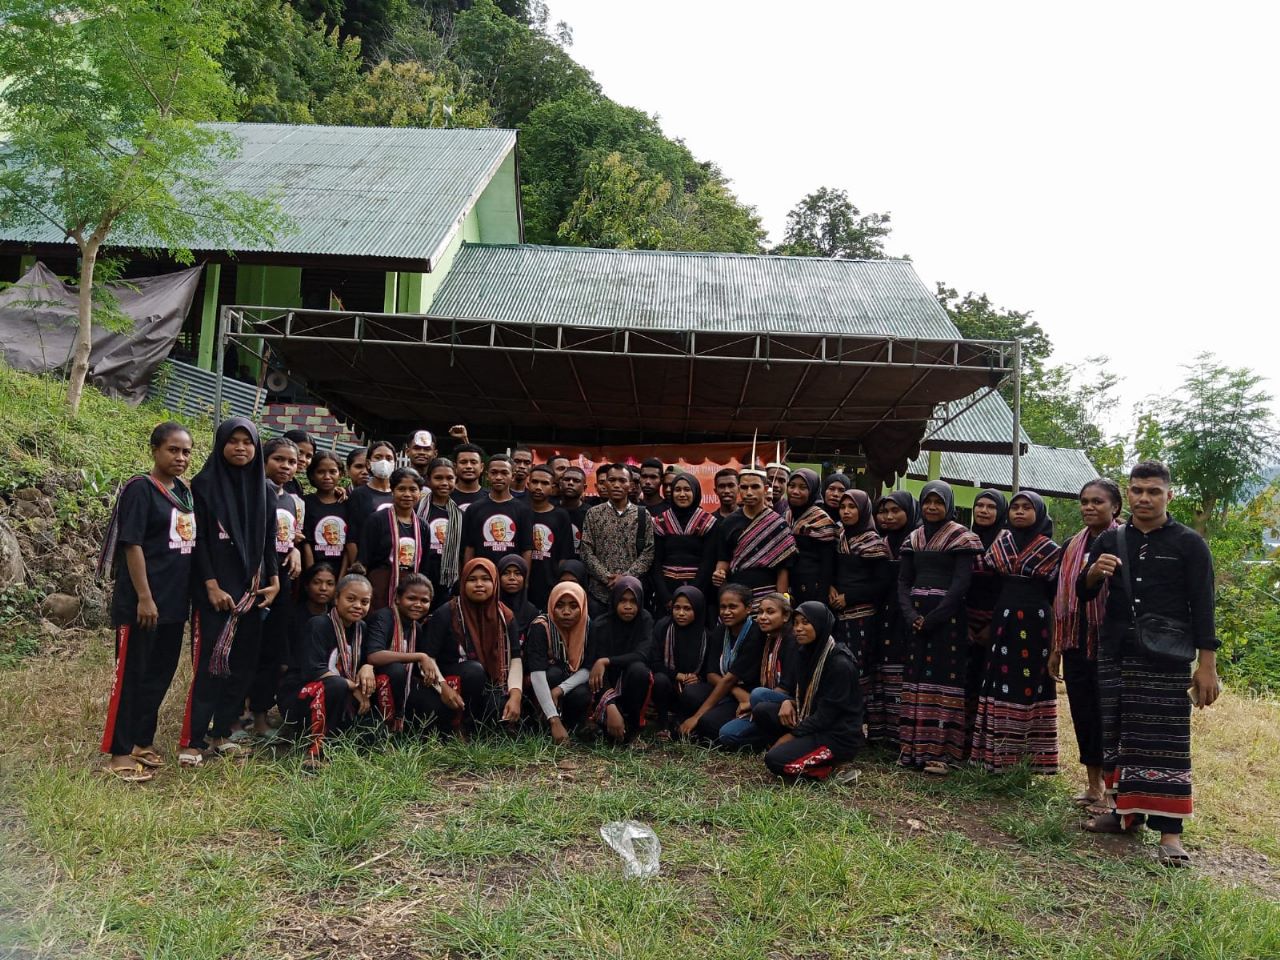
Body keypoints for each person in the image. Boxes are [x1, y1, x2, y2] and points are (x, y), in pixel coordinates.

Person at [1078, 461, 1219, 866]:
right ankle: (1124, 814)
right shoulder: (1110, 539)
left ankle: (1171, 833)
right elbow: (1083, 593)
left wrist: (1206, 665)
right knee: (1117, 731)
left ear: (1169, 495)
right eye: (1137, 490)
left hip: (1167, 656)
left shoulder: (1190, 544)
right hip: (1116, 650)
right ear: (1129, 492)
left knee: (1165, 739)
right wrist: (1092, 574)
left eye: (1153, 491)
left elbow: (1204, 607)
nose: (1144, 498)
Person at [98, 421, 196, 781]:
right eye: (173, 449)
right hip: (143, 604)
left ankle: (142, 740)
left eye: (186, 451)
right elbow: (132, 544)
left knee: (159, 675)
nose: (180, 457)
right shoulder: (141, 489)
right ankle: (120, 752)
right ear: (155, 450)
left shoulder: (184, 493)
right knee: (132, 676)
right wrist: (144, 597)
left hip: (174, 604)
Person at [179, 418, 280, 766]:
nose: (241, 448)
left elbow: (269, 540)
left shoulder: (264, 489)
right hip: (217, 592)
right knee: (210, 665)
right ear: (221, 444)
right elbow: (200, 539)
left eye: (247, 442)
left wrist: (275, 579)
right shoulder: (204, 486)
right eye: (233, 441)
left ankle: (221, 732)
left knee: (242, 666)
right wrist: (210, 584)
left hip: (253, 592)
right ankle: (193, 739)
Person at [970, 491, 1062, 774]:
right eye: (1015, 508)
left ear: (1039, 513)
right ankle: (994, 756)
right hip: (1003, 620)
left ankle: (1029, 760)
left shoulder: (1051, 550)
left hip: (1035, 623)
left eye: (1027, 508)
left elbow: (1056, 595)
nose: (1020, 512)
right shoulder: (1001, 543)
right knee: (997, 680)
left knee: (1031, 683)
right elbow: (987, 583)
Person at [897, 480, 983, 775]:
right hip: (916, 618)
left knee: (944, 680)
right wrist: (910, 615)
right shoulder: (913, 538)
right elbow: (903, 581)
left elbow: (961, 585)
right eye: (927, 502)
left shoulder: (962, 538)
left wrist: (933, 618)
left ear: (949, 505)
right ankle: (912, 748)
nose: (932, 507)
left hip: (948, 620)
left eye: (938, 502)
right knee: (916, 678)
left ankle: (941, 753)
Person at [1050, 478, 1122, 811]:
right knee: (1083, 712)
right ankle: (1093, 786)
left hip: (1112, 642)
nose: (1089, 507)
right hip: (1076, 641)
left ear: (1115, 508)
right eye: (1084, 501)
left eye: (1097, 501)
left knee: (1110, 715)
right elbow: (1059, 599)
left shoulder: (1126, 542)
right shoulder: (1071, 546)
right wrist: (1056, 648)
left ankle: (1113, 792)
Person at [278, 571, 384, 768]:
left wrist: (368, 667)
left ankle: (336, 738)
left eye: (364, 602)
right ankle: (313, 750)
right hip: (302, 694)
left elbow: (371, 656)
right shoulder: (319, 624)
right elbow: (313, 670)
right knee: (336, 684)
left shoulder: (361, 628)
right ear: (336, 598)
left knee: (371, 732)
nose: (358, 606)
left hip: (339, 695)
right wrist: (352, 686)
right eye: (350, 599)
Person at [758, 602, 865, 781]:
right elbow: (805, 696)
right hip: (810, 720)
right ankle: (797, 750)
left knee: (774, 761)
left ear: (821, 624)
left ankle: (831, 768)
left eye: (805, 623)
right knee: (763, 710)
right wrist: (788, 701)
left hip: (836, 735)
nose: (798, 628)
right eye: (796, 623)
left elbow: (827, 715)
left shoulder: (840, 664)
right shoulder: (805, 653)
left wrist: (791, 735)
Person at [423, 558, 523, 732]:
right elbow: (428, 657)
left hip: (492, 681)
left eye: (485, 579)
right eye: (472, 579)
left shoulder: (505, 616)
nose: (479, 584)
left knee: (496, 715)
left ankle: (474, 725)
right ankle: (460, 725)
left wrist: (515, 695)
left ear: (495, 582)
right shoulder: (446, 613)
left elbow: (515, 658)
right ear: (462, 583)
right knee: (474, 671)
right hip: (451, 680)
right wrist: (443, 687)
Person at [249, 437, 305, 737]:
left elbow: (291, 538)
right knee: (247, 649)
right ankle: (232, 717)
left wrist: (294, 551)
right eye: (279, 460)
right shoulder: (254, 492)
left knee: (272, 650)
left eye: (292, 462)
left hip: (281, 581)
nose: (286, 466)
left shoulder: (292, 500)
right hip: (256, 580)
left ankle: (260, 716)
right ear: (264, 460)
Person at [365, 573, 462, 734]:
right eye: (411, 598)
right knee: (395, 670)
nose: (418, 604)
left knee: (436, 705)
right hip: (373, 685)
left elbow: (418, 669)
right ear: (397, 598)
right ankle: (384, 729)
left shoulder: (417, 627)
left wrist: (439, 685)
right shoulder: (384, 617)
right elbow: (374, 655)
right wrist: (419, 656)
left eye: (424, 601)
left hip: (405, 686)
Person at [678, 583, 764, 742]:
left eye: (732, 607)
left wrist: (697, 716)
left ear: (748, 608)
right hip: (732, 691)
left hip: (747, 691)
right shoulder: (720, 630)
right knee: (690, 693)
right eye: (722, 607)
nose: (726, 612)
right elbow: (711, 674)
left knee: (707, 722)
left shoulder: (755, 634)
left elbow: (730, 678)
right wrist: (736, 691)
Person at [865, 491, 917, 748]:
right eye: (883, 511)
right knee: (880, 669)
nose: (888, 517)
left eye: (895, 511)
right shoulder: (878, 543)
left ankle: (902, 735)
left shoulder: (918, 541)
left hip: (907, 613)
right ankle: (880, 733)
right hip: (879, 612)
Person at [716, 591, 796, 750]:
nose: (762, 617)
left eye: (770, 612)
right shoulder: (766, 640)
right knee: (726, 734)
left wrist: (752, 702)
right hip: (766, 704)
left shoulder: (792, 641)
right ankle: (770, 741)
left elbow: (787, 686)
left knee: (758, 694)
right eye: (760, 612)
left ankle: (791, 736)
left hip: (790, 703)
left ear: (786, 616)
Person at [577, 577, 654, 743]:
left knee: (639, 670)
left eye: (633, 601)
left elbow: (642, 654)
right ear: (614, 600)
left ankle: (633, 726)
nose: (628, 607)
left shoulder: (645, 619)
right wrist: (609, 705)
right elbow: (594, 670)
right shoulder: (600, 625)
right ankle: (606, 722)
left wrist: (606, 661)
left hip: (630, 685)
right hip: (604, 686)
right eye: (623, 600)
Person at [712, 470, 797, 610]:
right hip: (737, 595)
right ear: (739, 489)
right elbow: (723, 559)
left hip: (768, 595)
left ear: (765, 489)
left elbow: (783, 568)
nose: (749, 492)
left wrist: (780, 602)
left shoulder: (777, 524)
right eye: (744, 487)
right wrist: (719, 573)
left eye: (755, 487)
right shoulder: (728, 523)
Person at [830, 490, 891, 678]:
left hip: (862, 616)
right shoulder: (838, 537)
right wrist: (831, 587)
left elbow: (881, 584)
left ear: (864, 510)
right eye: (842, 507)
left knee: (858, 666)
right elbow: (832, 568)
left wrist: (848, 598)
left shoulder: (873, 542)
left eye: (852, 507)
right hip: (837, 612)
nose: (846, 512)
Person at [579, 463, 655, 614]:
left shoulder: (642, 515)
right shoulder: (593, 514)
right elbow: (586, 551)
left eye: (622, 481)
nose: (616, 485)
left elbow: (648, 552)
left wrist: (626, 578)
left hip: (631, 595)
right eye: (612, 480)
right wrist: (607, 577)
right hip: (599, 594)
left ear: (631, 485)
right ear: (605, 483)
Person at [964, 489, 1008, 740]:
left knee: (991, 678)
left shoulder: (1008, 542)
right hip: (965, 619)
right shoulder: (964, 539)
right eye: (979, 505)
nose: (983, 510)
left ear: (1000, 511)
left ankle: (989, 739)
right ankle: (968, 737)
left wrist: (993, 625)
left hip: (998, 621)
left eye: (990, 506)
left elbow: (1008, 587)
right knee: (967, 678)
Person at [525, 581, 591, 744]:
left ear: (582, 607)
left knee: (581, 693)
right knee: (553, 674)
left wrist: (559, 690)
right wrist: (554, 720)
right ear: (551, 605)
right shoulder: (540, 626)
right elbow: (537, 673)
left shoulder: (587, 625)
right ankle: (548, 723)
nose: (566, 612)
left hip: (569, 684)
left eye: (573, 606)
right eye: (559, 605)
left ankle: (575, 725)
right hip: (544, 683)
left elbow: (588, 668)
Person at [358, 467, 431, 611]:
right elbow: (364, 558)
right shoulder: (377, 520)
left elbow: (424, 565)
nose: (407, 494)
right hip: (380, 585)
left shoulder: (423, 526)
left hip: (410, 587)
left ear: (420, 493)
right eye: (401, 489)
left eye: (413, 489)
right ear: (392, 490)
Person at [647, 585, 712, 738]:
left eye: (687, 609)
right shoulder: (663, 627)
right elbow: (654, 661)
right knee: (660, 680)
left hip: (693, 688)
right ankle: (663, 723)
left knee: (692, 692)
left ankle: (681, 722)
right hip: (669, 683)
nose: (681, 613)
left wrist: (698, 677)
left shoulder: (707, 635)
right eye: (677, 607)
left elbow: (711, 667)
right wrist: (678, 675)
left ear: (698, 609)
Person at [651, 471, 719, 613]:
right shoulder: (660, 522)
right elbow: (655, 563)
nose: (682, 494)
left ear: (696, 492)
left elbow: (708, 563)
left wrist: (691, 595)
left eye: (687, 490)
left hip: (698, 590)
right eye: (677, 490)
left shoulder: (708, 522)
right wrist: (666, 597)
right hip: (666, 591)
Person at [461, 455, 533, 569]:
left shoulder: (523, 510)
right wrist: (468, 577)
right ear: (487, 476)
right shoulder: (474, 509)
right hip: (482, 575)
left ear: (513, 476)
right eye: (494, 472)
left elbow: (527, 550)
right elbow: (469, 548)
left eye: (504, 473)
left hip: (511, 577)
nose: (499, 477)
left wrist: (525, 582)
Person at [524, 465, 575, 609]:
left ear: (553, 487)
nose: (538, 487)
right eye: (535, 482)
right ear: (528, 485)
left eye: (545, 483)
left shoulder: (561, 516)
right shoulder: (519, 511)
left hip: (549, 582)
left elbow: (564, 554)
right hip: (521, 584)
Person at [784, 468, 837, 605]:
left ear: (812, 490)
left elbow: (827, 565)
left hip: (813, 590)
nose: (795, 491)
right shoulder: (787, 516)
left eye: (803, 487)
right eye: (792, 486)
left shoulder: (821, 520)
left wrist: (820, 599)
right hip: (789, 588)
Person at [416, 457, 463, 610]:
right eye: (438, 478)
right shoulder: (416, 510)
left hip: (447, 580)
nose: (444, 483)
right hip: (420, 574)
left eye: (449, 478)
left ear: (455, 480)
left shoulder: (460, 515)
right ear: (428, 480)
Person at [345, 440, 396, 564]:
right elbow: (352, 538)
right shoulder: (359, 494)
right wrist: (358, 568)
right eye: (378, 457)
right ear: (368, 463)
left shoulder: (399, 494)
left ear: (394, 463)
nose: (384, 462)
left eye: (389, 458)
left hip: (396, 563)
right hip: (369, 564)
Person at [302, 452, 349, 574]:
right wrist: (312, 576)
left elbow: (350, 544)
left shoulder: (347, 503)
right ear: (312, 475)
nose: (327, 476)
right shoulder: (305, 503)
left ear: (341, 474)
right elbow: (306, 542)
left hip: (340, 570)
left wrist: (342, 578)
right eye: (321, 472)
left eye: (333, 472)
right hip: (314, 569)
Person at [497, 554, 539, 636]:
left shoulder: (532, 612)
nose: (512, 578)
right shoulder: (492, 609)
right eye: (506, 573)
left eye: (517, 573)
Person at [558, 466, 590, 553]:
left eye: (576, 481)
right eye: (567, 479)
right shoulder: (551, 509)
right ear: (560, 484)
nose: (570, 483)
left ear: (584, 488)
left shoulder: (590, 514)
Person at [451, 443, 487, 511]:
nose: (468, 466)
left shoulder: (491, 497)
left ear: (481, 467)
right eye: (463, 462)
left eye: (473, 462)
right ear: (455, 467)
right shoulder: (444, 496)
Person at [281, 429, 314, 497]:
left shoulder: (296, 485)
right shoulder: (268, 482)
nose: (303, 459)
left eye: (308, 456)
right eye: (299, 452)